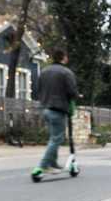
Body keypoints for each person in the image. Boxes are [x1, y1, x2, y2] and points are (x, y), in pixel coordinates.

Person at [32, 48, 78, 177]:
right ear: (63, 58)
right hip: (58, 109)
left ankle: (53, 164)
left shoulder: (44, 71)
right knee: (57, 138)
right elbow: (71, 91)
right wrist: (76, 96)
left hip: (46, 108)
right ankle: (43, 166)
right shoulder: (66, 72)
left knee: (53, 137)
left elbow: (38, 89)